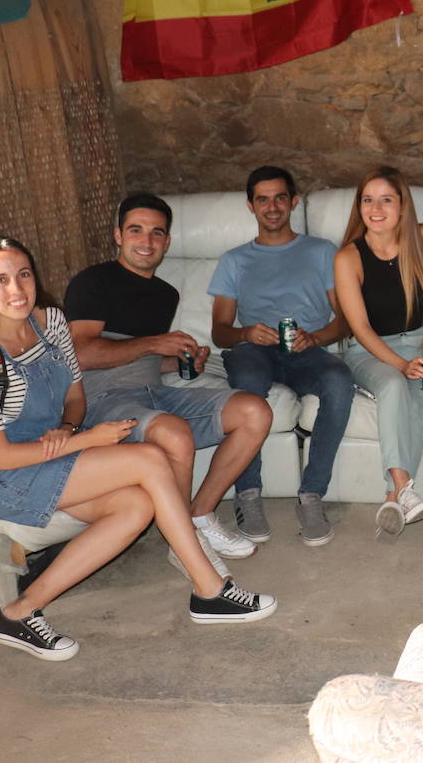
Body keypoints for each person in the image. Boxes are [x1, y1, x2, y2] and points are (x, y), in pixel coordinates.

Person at [0, 238, 276, 661]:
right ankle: (209, 589)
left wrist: (68, 428)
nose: (17, 289)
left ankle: (18, 613)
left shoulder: (50, 323)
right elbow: (0, 458)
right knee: (151, 459)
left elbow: (76, 399)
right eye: (1, 279)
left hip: (54, 449)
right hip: (5, 475)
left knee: (136, 507)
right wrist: (85, 438)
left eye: (24, 274)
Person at [65, 194, 273, 573]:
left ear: (168, 242)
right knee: (175, 433)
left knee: (254, 410)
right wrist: (152, 343)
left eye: (157, 233)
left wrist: (179, 360)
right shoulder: (93, 282)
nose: (147, 241)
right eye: (136, 230)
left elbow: (142, 360)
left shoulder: (165, 294)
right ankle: (184, 546)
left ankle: (200, 514)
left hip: (152, 393)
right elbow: (79, 354)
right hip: (102, 402)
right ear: (118, 235)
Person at [211, 166, 354, 547]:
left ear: (294, 202)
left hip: (307, 351)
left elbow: (345, 321)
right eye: (262, 199)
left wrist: (316, 337)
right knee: (249, 383)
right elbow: (219, 332)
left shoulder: (322, 251)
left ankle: (311, 496)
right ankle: (248, 494)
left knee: (340, 380)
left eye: (279, 198)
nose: (272, 207)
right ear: (250, 205)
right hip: (254, 350)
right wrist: (245, 332)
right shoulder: (234, 260)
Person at [333, 166, 423, 541]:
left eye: (387, 199)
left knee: (418, 403)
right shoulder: (348, 258)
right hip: (370, 351)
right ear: (359, 207)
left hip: (422, 342)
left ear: (402, 206)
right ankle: (404, 489)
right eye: (368, 199)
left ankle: (394, 495)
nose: (376, 207)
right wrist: (401, 365)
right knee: (392, 385)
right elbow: (361, 329)